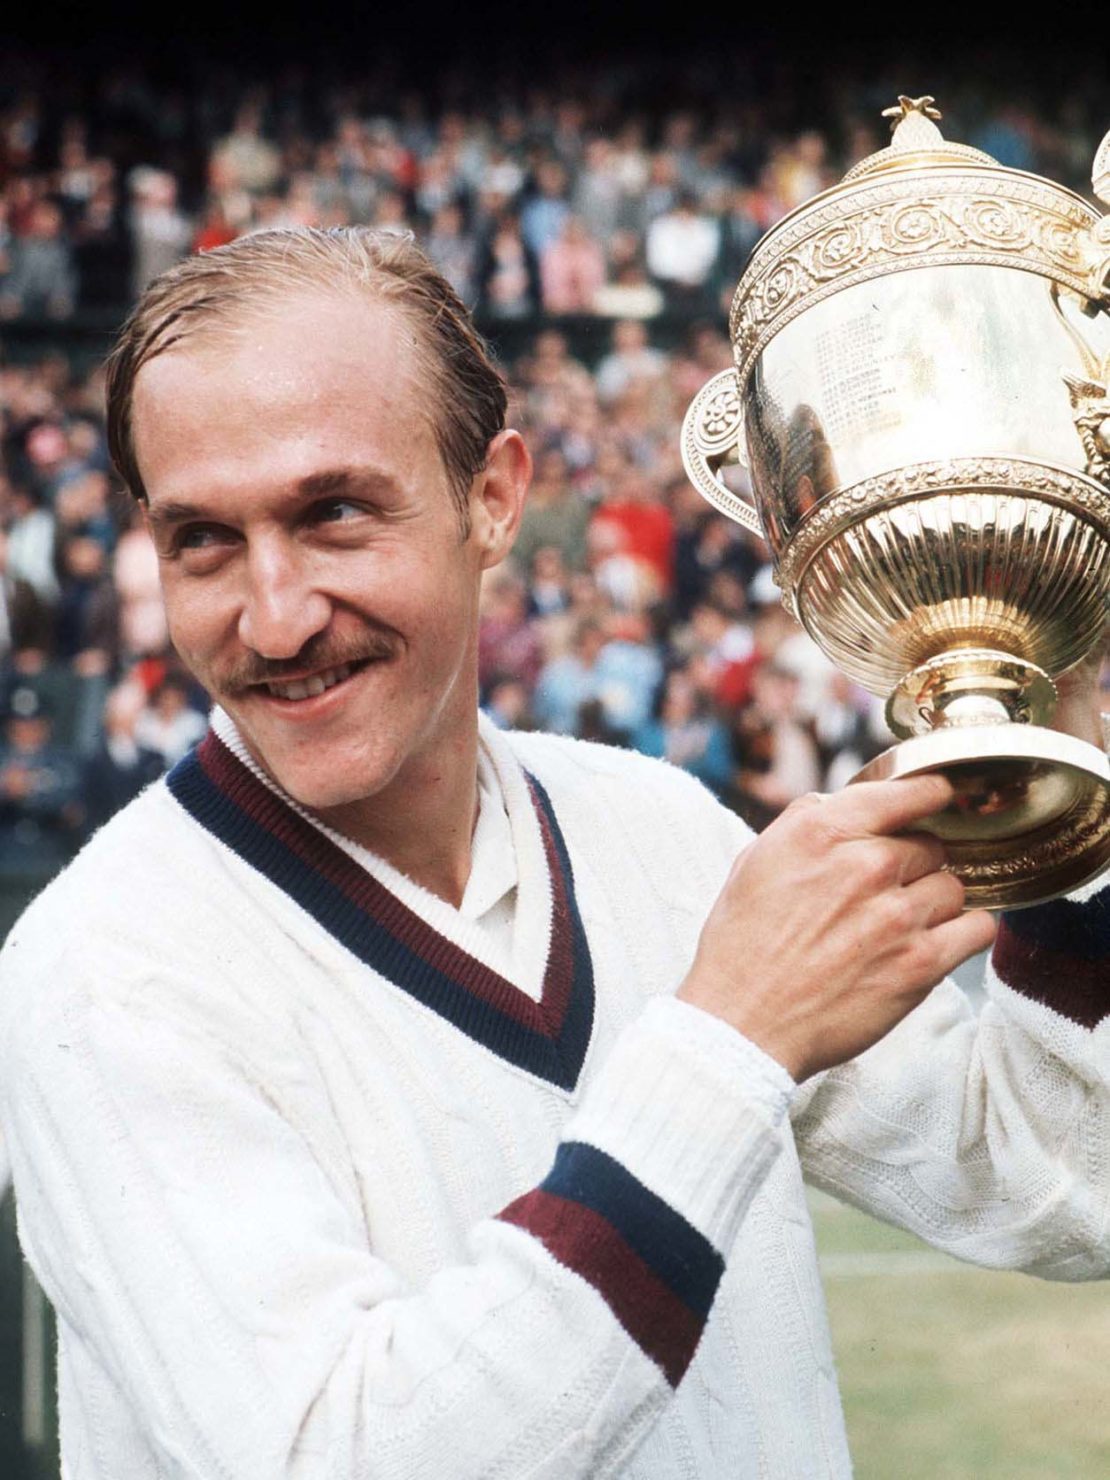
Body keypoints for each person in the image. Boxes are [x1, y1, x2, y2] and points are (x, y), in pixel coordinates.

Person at [0, 226, 1107, 1480]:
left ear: (495, 499)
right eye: (203, 538)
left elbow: (1062, 1187)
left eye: (336, 512)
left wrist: (1056, 792)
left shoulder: (658, 829)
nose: (274, 612)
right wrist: (730, 1039)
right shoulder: (101, 969)